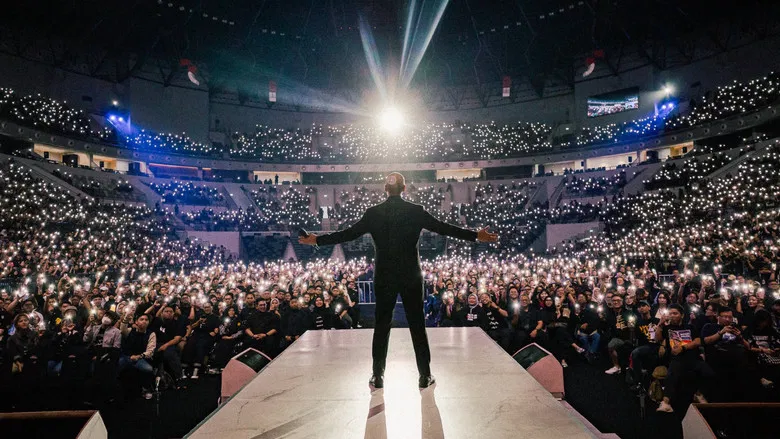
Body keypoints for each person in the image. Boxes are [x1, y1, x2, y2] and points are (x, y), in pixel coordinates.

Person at [300, 172, 497, 390]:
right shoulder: (416, 211)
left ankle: (378, 376)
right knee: (417, 326)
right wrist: (476, 236)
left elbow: (347, 234)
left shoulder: (373, 213)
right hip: (411, 275)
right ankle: (425, 375)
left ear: (386, 189)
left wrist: (316, 240)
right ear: (404, 189)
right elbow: (444, 228)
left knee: (381, 326)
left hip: (384, 276)